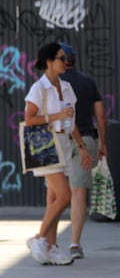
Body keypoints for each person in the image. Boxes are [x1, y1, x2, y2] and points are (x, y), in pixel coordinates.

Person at [24, 42, 93, 265]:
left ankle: (51, 248)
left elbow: (70, 121)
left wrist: (82, 147)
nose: (66, 62)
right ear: (49, 62)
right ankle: (39, 238)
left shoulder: (66, 87)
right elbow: (29, 119)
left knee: (53, 198)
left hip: (63, 145)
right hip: (46, 147)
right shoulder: (38, 88)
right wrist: (56, 115)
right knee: (64, 196)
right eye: (61, 58)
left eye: (66, 59)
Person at [59, 42, 108, 259]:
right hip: (86, 140)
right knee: (78, 193)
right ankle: (74, 244)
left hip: (58, 140)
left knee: (54, 193)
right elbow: (101, 116)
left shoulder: (53, 83)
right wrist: (103, 143)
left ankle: (48, 240)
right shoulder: (88, 82)